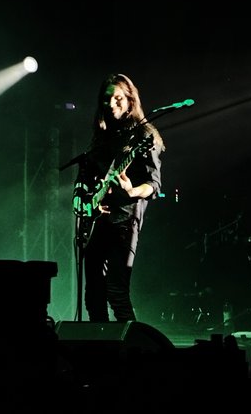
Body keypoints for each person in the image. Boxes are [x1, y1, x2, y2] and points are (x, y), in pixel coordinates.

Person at [72, 73, 165, 322]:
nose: (111, 103)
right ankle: (100, 341)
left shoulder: (143, 135)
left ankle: (132, 344)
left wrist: (131, 191)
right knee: (93, 294)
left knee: (116, 292)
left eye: (118, 98)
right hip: (98, 222)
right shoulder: (102, 137)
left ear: (130, 100)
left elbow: (154, 185)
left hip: (124, 221)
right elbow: (85, 173)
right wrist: (81, 195)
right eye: (106, 99)